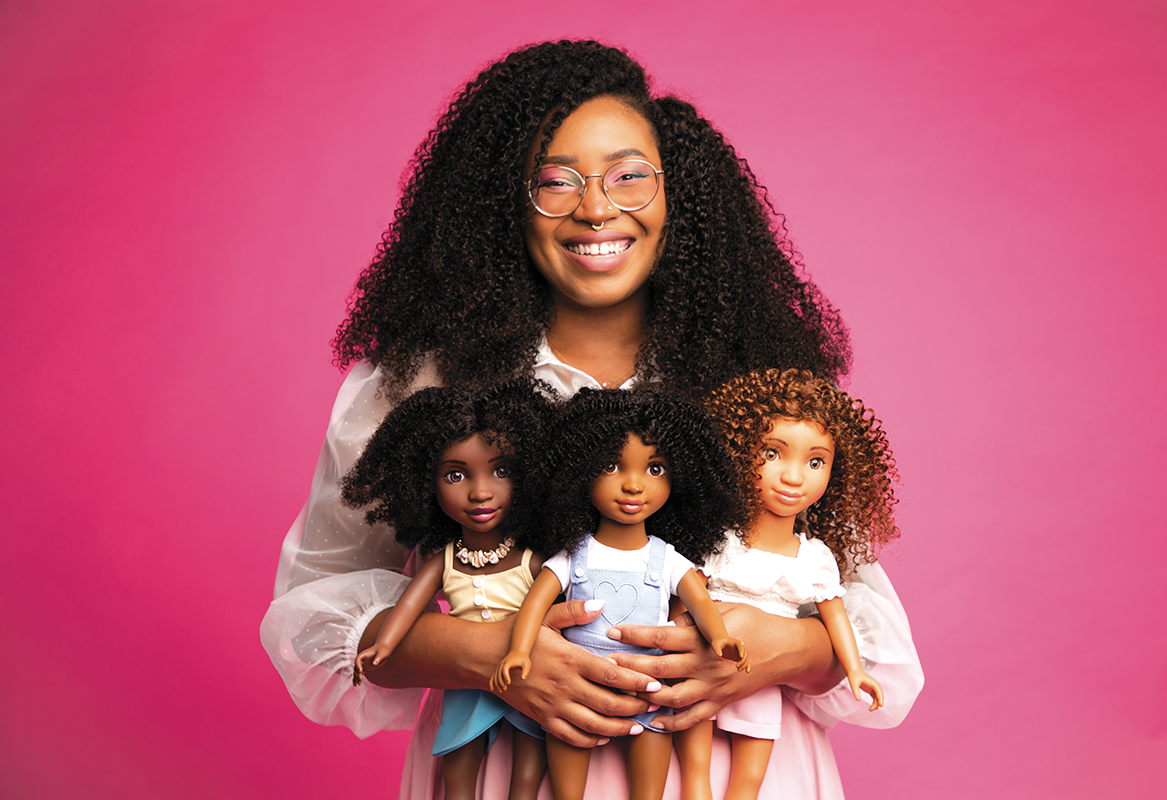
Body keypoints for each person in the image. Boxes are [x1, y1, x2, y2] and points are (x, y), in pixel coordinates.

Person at [259, 39, 923, 800]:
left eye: (629, 176)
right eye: (555, 181)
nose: (598, 207)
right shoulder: (423, 381)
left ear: (682, 194)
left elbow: (878, 642)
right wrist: (488, 653)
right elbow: (312, 617)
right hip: (511, 770)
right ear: (502, 202)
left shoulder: (758, 388)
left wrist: (781, 647)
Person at [491, 390, 750, 800]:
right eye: (611, 466)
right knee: (566, 789)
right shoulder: (574, 554)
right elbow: (535, 605)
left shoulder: (666, 559)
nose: (633, 485)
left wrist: (719, 637)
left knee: (650, 790)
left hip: (648, 687)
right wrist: (519, 651)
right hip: (574, 684)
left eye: (655, 468)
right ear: (579, 475)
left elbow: (699, 601)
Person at [676, 369, 900, 800]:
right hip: (702, 662)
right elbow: (689, 588)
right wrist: (670, 636)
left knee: (748, 781)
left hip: (763, 680)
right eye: (773, 453)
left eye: (815, 462)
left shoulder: (815, 559)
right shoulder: (723, 540)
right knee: (694, 776)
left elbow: (836, 617)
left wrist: (856, 672)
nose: (794, 477)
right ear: (740, 453)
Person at [340, 381, 554, 800]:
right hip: (465, 683)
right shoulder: (445, 561)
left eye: (501, 470)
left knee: (529, 772)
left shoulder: (533, 560)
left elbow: (558, 608)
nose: (479, 492)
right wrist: (383, 646)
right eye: (455, 475)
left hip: (533, 678)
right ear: (423, 482)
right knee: (457, 770)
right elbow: (408, 607)